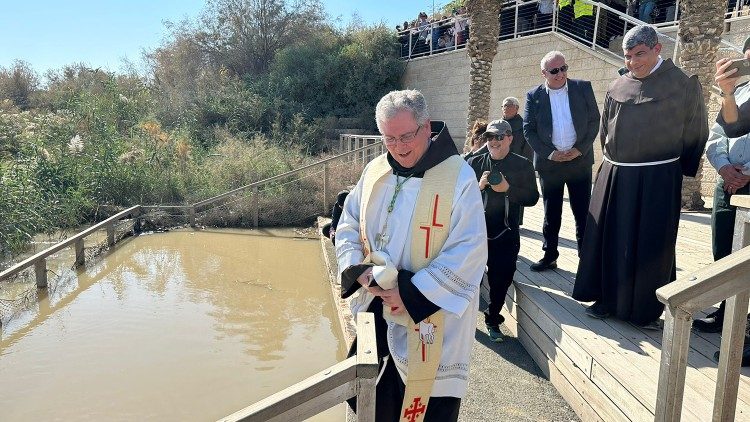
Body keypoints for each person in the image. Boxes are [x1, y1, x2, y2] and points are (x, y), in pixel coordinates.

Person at [336, 90, 487, 421]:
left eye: (406, 136)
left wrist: (410, 293)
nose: (399, 147)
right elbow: (348, 221)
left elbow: (470, 250)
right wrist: (357, 269)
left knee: (423, 408)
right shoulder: (376, 171)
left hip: (427, 315)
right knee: (372, 403)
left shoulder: (458, 177)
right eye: (389, 138)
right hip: (377, 308)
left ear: (427, 127)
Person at [572, 25, 708, 329]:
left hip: (658, 177)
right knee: (611, 238)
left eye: (640, 54)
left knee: (650, 243)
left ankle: (643, 309)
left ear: (657, 49)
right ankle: (606, 299)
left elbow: (696, 131)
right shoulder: (617, 86)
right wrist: (610, 165)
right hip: (617, 175)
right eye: (628, 56)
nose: (633, 62)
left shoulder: (683, 85)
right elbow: (606, 130)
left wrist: (679, 169)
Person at [698, 37, 750, 366]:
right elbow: (718, 136)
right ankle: (726, 313)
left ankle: (745, 331)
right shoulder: (739, 92)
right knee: (724, 251)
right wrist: (725, 168)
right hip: (728, 182)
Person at [523, 50, 600, 272]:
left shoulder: (582, 87)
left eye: (563, 68)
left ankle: (586, 257)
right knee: (551, 212)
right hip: (550, 164)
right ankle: (550, 254)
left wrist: (580, 149)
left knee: (583, 212)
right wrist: (550, 153)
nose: (560, 74)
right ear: (544, 73)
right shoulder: (534, 96)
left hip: (579, 161)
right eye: (554, 71)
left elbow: (595, 120)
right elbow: (528, 129)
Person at [467, 119, 539, 342]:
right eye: (490, 137)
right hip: (476, 233)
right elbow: (459, 198)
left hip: (506, 233)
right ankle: (465, 321)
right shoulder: (474, 162)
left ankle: (492, 319)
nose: (494, 141)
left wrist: (508, 189)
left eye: (499, 137)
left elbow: (532, 198)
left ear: (510, 138)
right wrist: (477, 187)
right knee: (470, 279)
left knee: (501, 280)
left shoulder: (523, 165)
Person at [503, 96, 533, 161]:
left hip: (517, 162)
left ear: (516, 108)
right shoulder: (497, 125)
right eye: (504, 106)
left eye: (509, 105)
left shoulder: (524, 126)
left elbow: (527, 150)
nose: (505, 108)